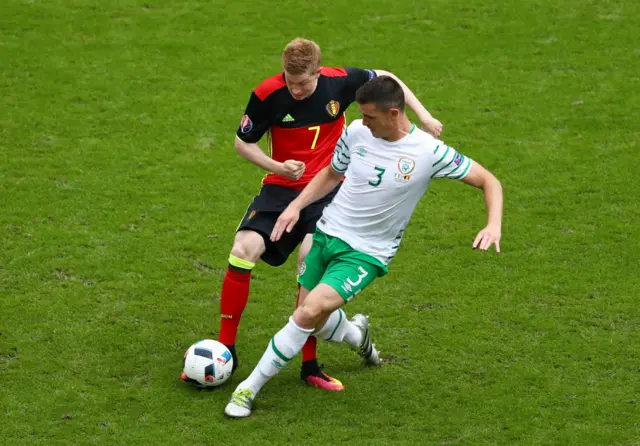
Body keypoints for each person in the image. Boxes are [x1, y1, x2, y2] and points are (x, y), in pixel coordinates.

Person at [223, 75, 503, 418]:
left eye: (370, 117)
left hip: (365, 253)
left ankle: (247, 389)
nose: (363, 123)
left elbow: (490, 181)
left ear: (394, 114)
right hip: (327, 233)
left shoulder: (429, 153)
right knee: (315, 320)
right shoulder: (356, 132)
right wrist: (296, 206)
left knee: (307, 314)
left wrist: (493, 225)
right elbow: (331, 174)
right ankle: (357, 335)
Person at [207, 38, 443, 392]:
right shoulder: (268, 94)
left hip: (327, 190)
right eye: (290, 81)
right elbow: (242, 142)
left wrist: (424, 116)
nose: (296, 89)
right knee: (242, 248)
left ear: (318, 72)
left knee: (309, 256)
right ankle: (226, 349)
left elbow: (387, 77)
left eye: (303, 82)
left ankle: (310, 365)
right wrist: (277, 167)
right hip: (280, 187)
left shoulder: (341, 82)